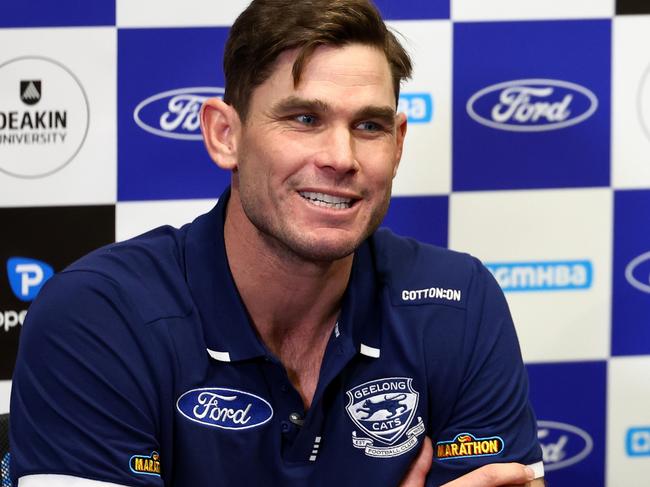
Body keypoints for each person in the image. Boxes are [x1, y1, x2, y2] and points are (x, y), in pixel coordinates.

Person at [9, 0, 545, 485]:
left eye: (369, 126)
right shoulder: (97, 314)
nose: (341, 157)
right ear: (226, 134)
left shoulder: (458, 299)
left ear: (398, 144)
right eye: (304, 118)